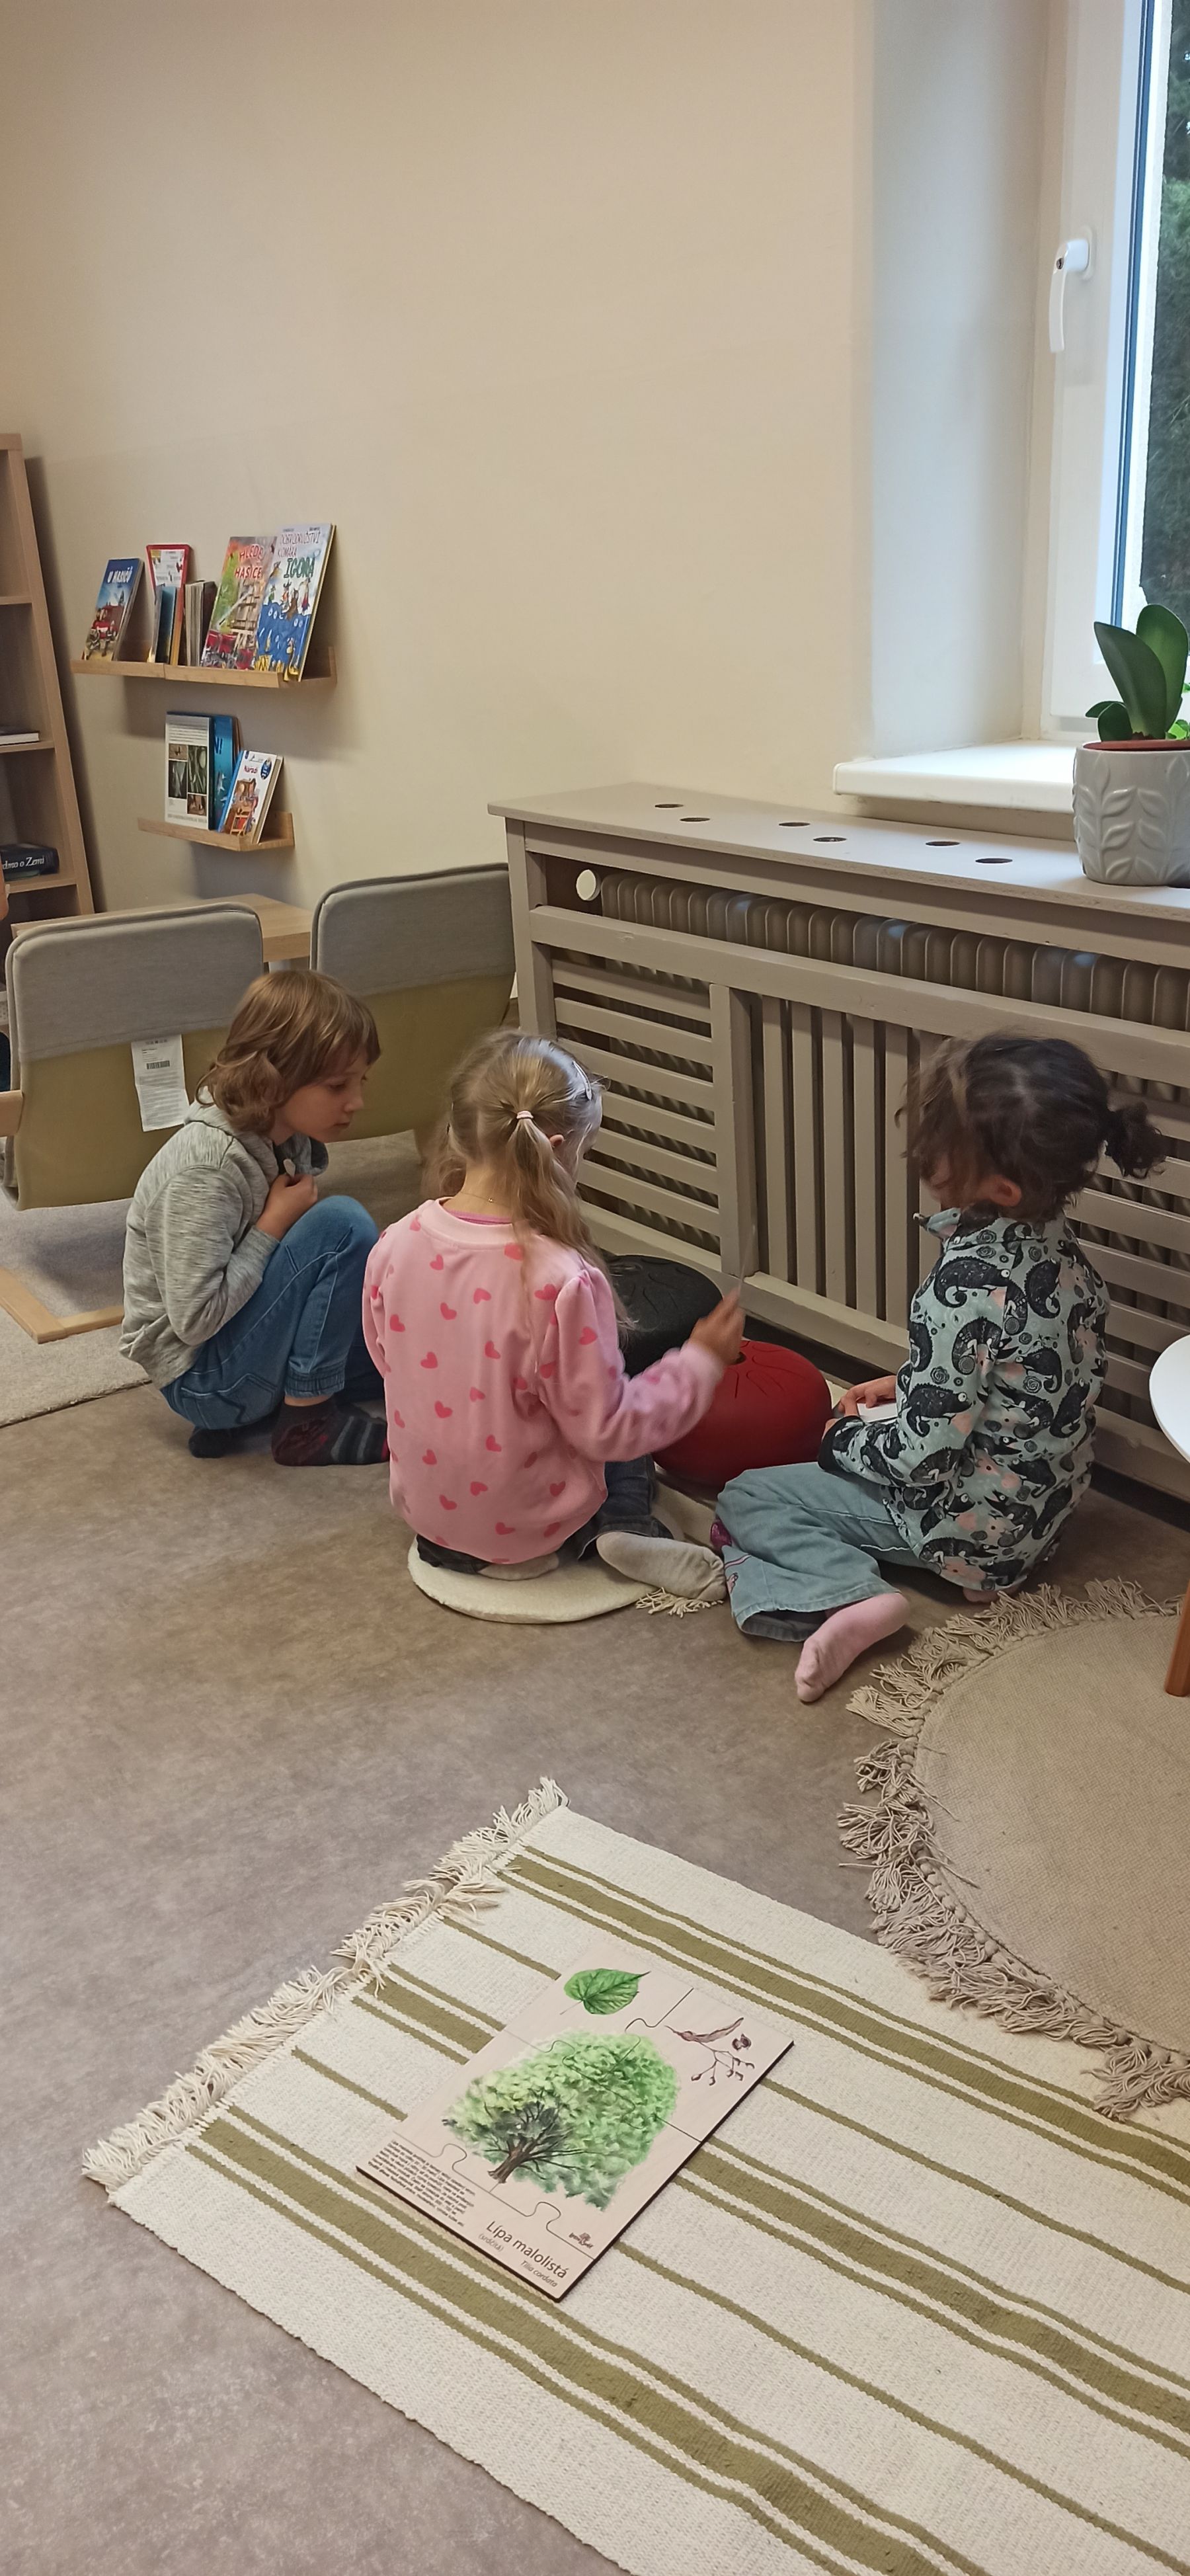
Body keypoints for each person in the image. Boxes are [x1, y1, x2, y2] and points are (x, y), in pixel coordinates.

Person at [619, 1033, 1164, 1701]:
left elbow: (920, 1459)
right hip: (1040, 1519)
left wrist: (840, 1439)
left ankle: (852, 1594)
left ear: (1000, 1187)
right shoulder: (1068, 1260)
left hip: (967, 1531)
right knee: (874, 1433)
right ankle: (981, 1575)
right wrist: (908, 1384)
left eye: (937, 1142)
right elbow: (1011, 1380)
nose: (922, 1153)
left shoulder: (960, 1286)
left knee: (747, 1497)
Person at [362, 1029, 742, 1584]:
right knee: (624, 1416)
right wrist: (699, 1364)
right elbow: (606, 1429)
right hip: (530, 1523)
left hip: (428, 1515)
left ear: (457, 1135)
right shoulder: (563, 1280)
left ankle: (469, 1544)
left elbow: (387, 1360)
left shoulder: (394, 1242)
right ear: (559, 1148)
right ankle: (624, 1525)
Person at [121, 969, 388, 1466]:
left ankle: (273, 1406)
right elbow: (195, 1321)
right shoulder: (207, 1170)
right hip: (205, 1380)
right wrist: (273, 1226)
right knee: (342, 1225)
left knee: (401, 1354)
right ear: (274, 1080)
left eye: (360, 1081)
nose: (357, 1102)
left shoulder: (283, 1136)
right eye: (337, 1086)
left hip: (238, 1352)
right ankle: (307, 1425)